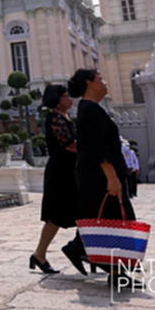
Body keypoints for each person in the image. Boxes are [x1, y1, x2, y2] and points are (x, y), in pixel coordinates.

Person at [69, 69, 138, 286]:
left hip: (98, 175)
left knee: (111, 220)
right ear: (89, 83)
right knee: (115, 220)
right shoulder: (89, 110)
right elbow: (98, 147)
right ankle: (115, 271)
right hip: (98, 177)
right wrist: (111, 177)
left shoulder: (92, 109)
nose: (105, 83)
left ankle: (111, 267)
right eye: (101, 79)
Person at [31, 83, 83, 275]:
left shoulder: (65, 117)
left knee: (76, 212)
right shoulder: (54, 118)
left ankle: (80, 249)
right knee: (57, 215)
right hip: (62, 172)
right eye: (66, 96)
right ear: (57, 99)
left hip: (70, 169)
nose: (70, 99)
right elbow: (68, 144)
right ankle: (40, 254)